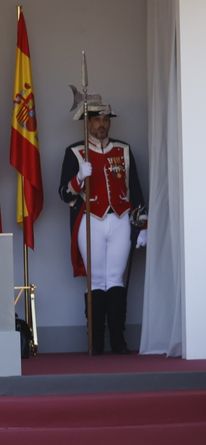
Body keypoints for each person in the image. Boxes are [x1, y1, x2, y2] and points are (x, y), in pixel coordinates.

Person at [58, 101, 147, 355]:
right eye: (97, 120)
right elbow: (64, 194)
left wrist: (143, 225)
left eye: (105, 119)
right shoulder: (75, 152)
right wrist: (78, 178)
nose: (102, 124)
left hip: (120, 219)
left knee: (116, 279)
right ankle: (95, 342)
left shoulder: (123, 150)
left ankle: (118, 341)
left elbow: (136, 191)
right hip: (90, 221)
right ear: (87, 123)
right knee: (96, 281)